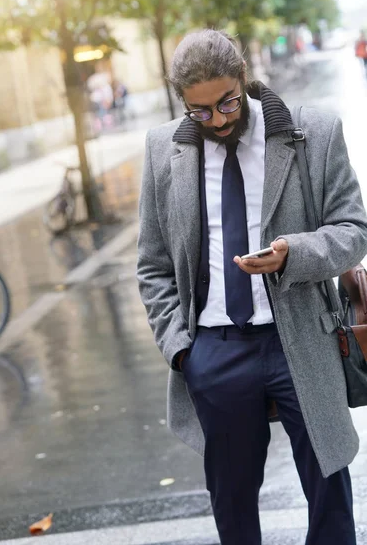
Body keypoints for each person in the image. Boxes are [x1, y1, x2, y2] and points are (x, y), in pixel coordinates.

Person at [137, 29, 367, 545]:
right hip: (214, 349)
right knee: (233, 499)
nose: (218, 119)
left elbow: (353, 230)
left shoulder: (314, 133)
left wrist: (295, 253)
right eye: (201, 111)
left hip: (302, 339)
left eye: (227, 102)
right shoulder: (162, 149)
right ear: (183, 103)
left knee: (330, 489)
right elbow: (152, 264)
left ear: (243, 77)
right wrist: (181, 349)